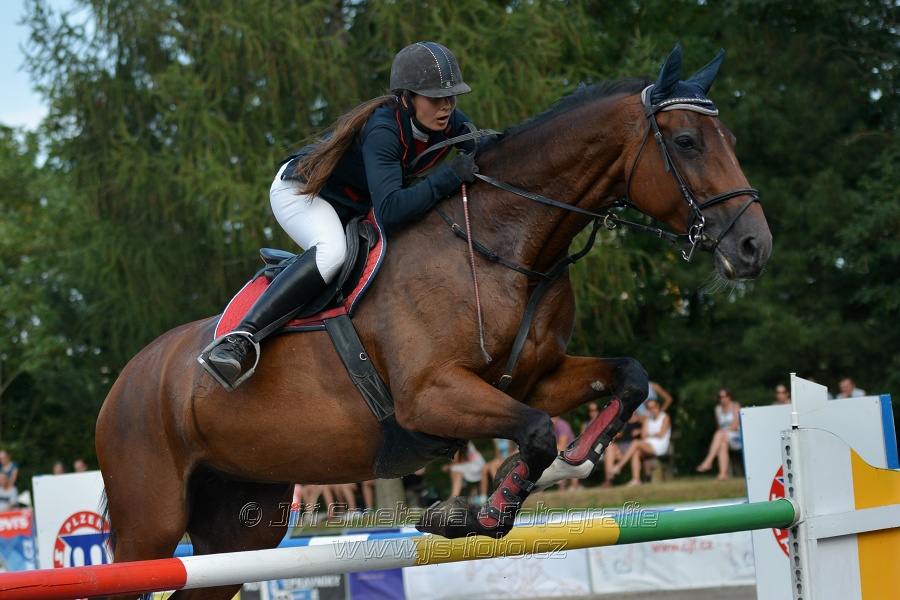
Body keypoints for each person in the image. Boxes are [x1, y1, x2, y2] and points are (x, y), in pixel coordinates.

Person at [202, 41, 480, 389]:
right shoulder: (383, 130)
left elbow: (486, 155)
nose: (447, 106)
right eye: (435, 98)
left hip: (352, 205)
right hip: (304, 193)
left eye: (451, 96)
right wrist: (448, 176)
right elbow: (392, 210)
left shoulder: (452, 123)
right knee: (334, 252)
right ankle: (240, 339)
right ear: (406, 98)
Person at [611, 398, 671, 486]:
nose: (653, 410)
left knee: (635, 442)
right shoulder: (649, 418)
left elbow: (661, 434)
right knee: (636, 451)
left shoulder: (665, 417)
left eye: (654, 407)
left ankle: (619, 466)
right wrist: (646, 420)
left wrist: (649, 435)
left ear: (658, 405)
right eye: (650, 408)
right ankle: (636, 480)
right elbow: (643, 435)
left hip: (659, 445)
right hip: (648, 444)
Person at [696, 388, 742, 480]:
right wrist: (723, 433)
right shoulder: (718, 409)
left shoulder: (736, 406)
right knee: (722, 443)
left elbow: (736, 424)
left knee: (719, 435)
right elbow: (719, 426)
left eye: (724, 396)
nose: (722, 399)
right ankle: (723, 474)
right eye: (719, 397)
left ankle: (708, 461)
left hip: (737, 437)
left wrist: (724, 432)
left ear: (729, 396)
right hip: (724, 437)